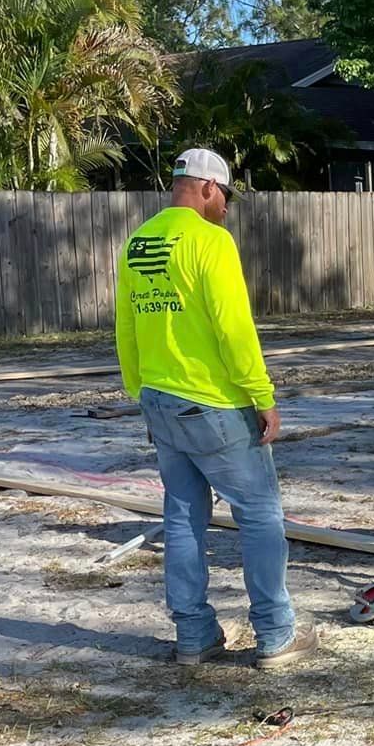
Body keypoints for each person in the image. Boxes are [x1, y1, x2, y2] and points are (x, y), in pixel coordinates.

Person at [114, 147, 317, 669]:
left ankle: (194, 635)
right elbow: (233, 329)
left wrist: (141, 392)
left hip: (160, 400)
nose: (226, 207)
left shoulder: (138, 244)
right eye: (224, 196)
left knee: (182, 516)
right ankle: (276, 633)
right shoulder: (211, 242)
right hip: (213, 405)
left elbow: (127, 328)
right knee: (260, 515)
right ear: (206, 187)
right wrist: (262, 396)